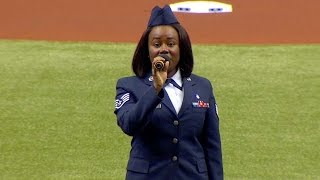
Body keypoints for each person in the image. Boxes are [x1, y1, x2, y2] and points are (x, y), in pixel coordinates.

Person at [114, 5, 223, 180]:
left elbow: (212, 146)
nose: (164, 49)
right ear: (147, 50)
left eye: (171, 44)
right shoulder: (129, 85)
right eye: (157, 44)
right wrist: (155, 89)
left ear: (181, 48)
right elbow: (128, 124)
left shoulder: (203, 86)